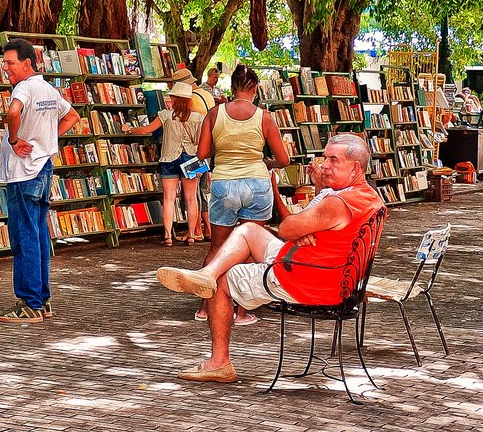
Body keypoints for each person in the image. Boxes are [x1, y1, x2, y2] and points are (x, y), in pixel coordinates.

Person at [151, 135, 383, 383]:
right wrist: (305, 227)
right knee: (249, 229)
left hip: (305, 280)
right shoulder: (369, 197)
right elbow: (303, 226)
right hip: (332, 277)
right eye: (325, 157)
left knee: (221, 281)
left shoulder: (337, 203)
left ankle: (219, 363)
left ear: (355, 167)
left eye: (333, 160)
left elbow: (287, 228)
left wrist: (300, 229)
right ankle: (204, 275)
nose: (324, 165)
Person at [192, 65, 292, 324]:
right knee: (248, 246)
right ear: (255, 88)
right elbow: (284, 159)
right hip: (257, 184)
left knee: (217, 247)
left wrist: (225, 145)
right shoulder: (265, 117)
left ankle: (205, 307)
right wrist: (266, 162)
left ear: (232, 87)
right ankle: (243, 311)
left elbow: (202, 154)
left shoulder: (215, 114)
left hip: (224, 183)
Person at [0, 39, 79, 324]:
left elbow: (13, 113)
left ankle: (30, 303)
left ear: (27, 63)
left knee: (24, 236)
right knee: (40, 235)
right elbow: (73, 116)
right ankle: (42, 300)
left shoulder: (24, 88)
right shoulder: (47, 88)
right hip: (43, 168)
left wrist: (15, 139)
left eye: (10, 63)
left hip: (24, 171)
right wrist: (48, 140)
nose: (5, 68)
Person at [128, 81, 206, 245]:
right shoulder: (198, 117)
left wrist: (128, 129)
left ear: (175, 99)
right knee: (191, 198)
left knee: (169, 198)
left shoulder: (165, 115)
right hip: (191, 159)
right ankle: (192, 235)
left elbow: (146, 130)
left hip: (169, 158)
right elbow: (200, 141)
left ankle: (168, 236)